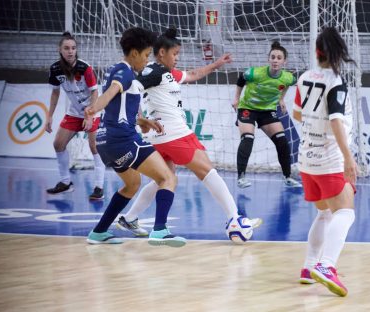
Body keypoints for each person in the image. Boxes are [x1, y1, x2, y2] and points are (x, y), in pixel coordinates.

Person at [114, 27, 262, 238]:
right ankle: (234, 219)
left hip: (159, 136)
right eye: (174, 54)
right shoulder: (154, 71)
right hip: (175, 133)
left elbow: (193, 75)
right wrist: (139, 119)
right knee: (207, 171)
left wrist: (217, 64)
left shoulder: (167, 73)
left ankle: (129, 218)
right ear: (162, 52)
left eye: (178, 54)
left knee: (164, 179)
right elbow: (131, 89)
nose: (176, 58)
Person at [84, 27, 185, 247]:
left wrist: (144, 121)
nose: (147, 60)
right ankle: (160, 230)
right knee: (167, 177)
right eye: (147, 55)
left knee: (131, 185)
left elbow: (117, 106)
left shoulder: (118, 70)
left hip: (106, 143)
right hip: (123, 140)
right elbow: (109, 94)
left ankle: (99, 232)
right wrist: (93, 109)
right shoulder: (126, 72)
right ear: (134, 53)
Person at [293, 27, 358, 297]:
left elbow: (297, 114)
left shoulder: (304, 78)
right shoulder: (336, 82)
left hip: (307, 157)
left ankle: (309, 267)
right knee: (346, 212)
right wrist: (347, 157)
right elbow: (335, 120)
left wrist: (313, 130)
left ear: (317, 52)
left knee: (324, 213)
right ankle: (327, 266)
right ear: (337, 53)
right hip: (329, 159)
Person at [232, 41, 302, 189]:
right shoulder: (255, 73)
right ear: (268, 59)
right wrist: (236, 99)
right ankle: (241, 177)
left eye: (279, 58)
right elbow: (240, 79)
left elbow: (287, 85)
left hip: (267, 110)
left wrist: (281, 99)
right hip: (247, 108)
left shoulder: (288, 77)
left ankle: (287, 177)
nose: (275, 60)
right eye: (273, 57)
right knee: (248, 138)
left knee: (282, 140)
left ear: (284, 61)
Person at [46, 32, 105, 200]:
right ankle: (65, 183)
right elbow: (55, 93)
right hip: (74, 112)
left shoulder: (84, 68)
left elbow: (95, 92)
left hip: (93, 110)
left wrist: (90, 115)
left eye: (73, 48)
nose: (70, 51)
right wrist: (49, 116)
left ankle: (99, 187)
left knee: (94, 147)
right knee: (58, 144)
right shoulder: (55, 69)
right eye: (66, 48)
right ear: (60, 50)